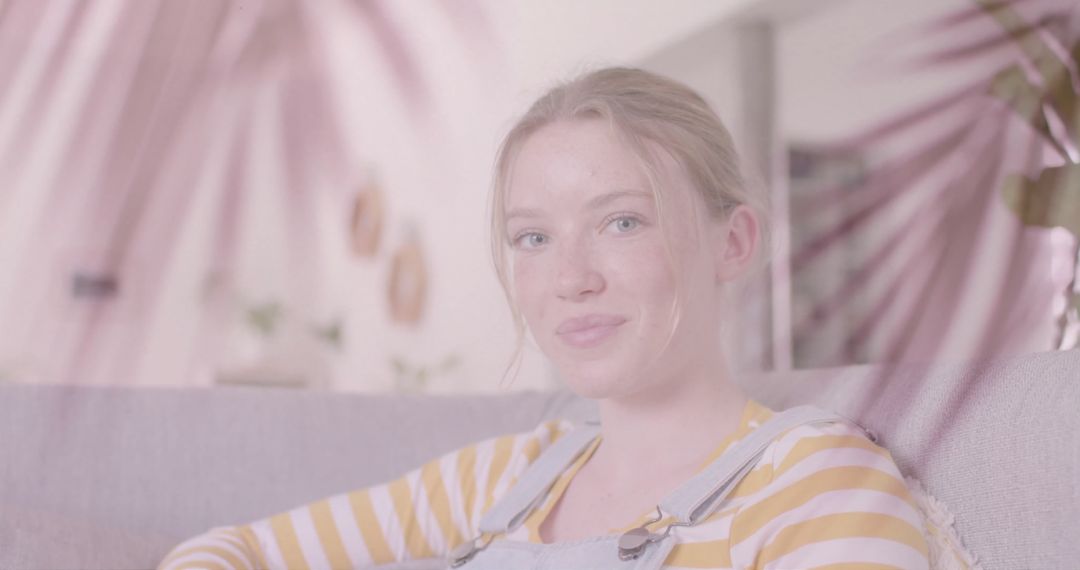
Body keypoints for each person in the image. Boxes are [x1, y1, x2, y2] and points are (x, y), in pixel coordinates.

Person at [160, 67, 930, 569]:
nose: (570, 279)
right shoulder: (505, 478)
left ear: (733, 242)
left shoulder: (818, 483)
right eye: (533, 237)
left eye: (622, 222)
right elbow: (224, 552)